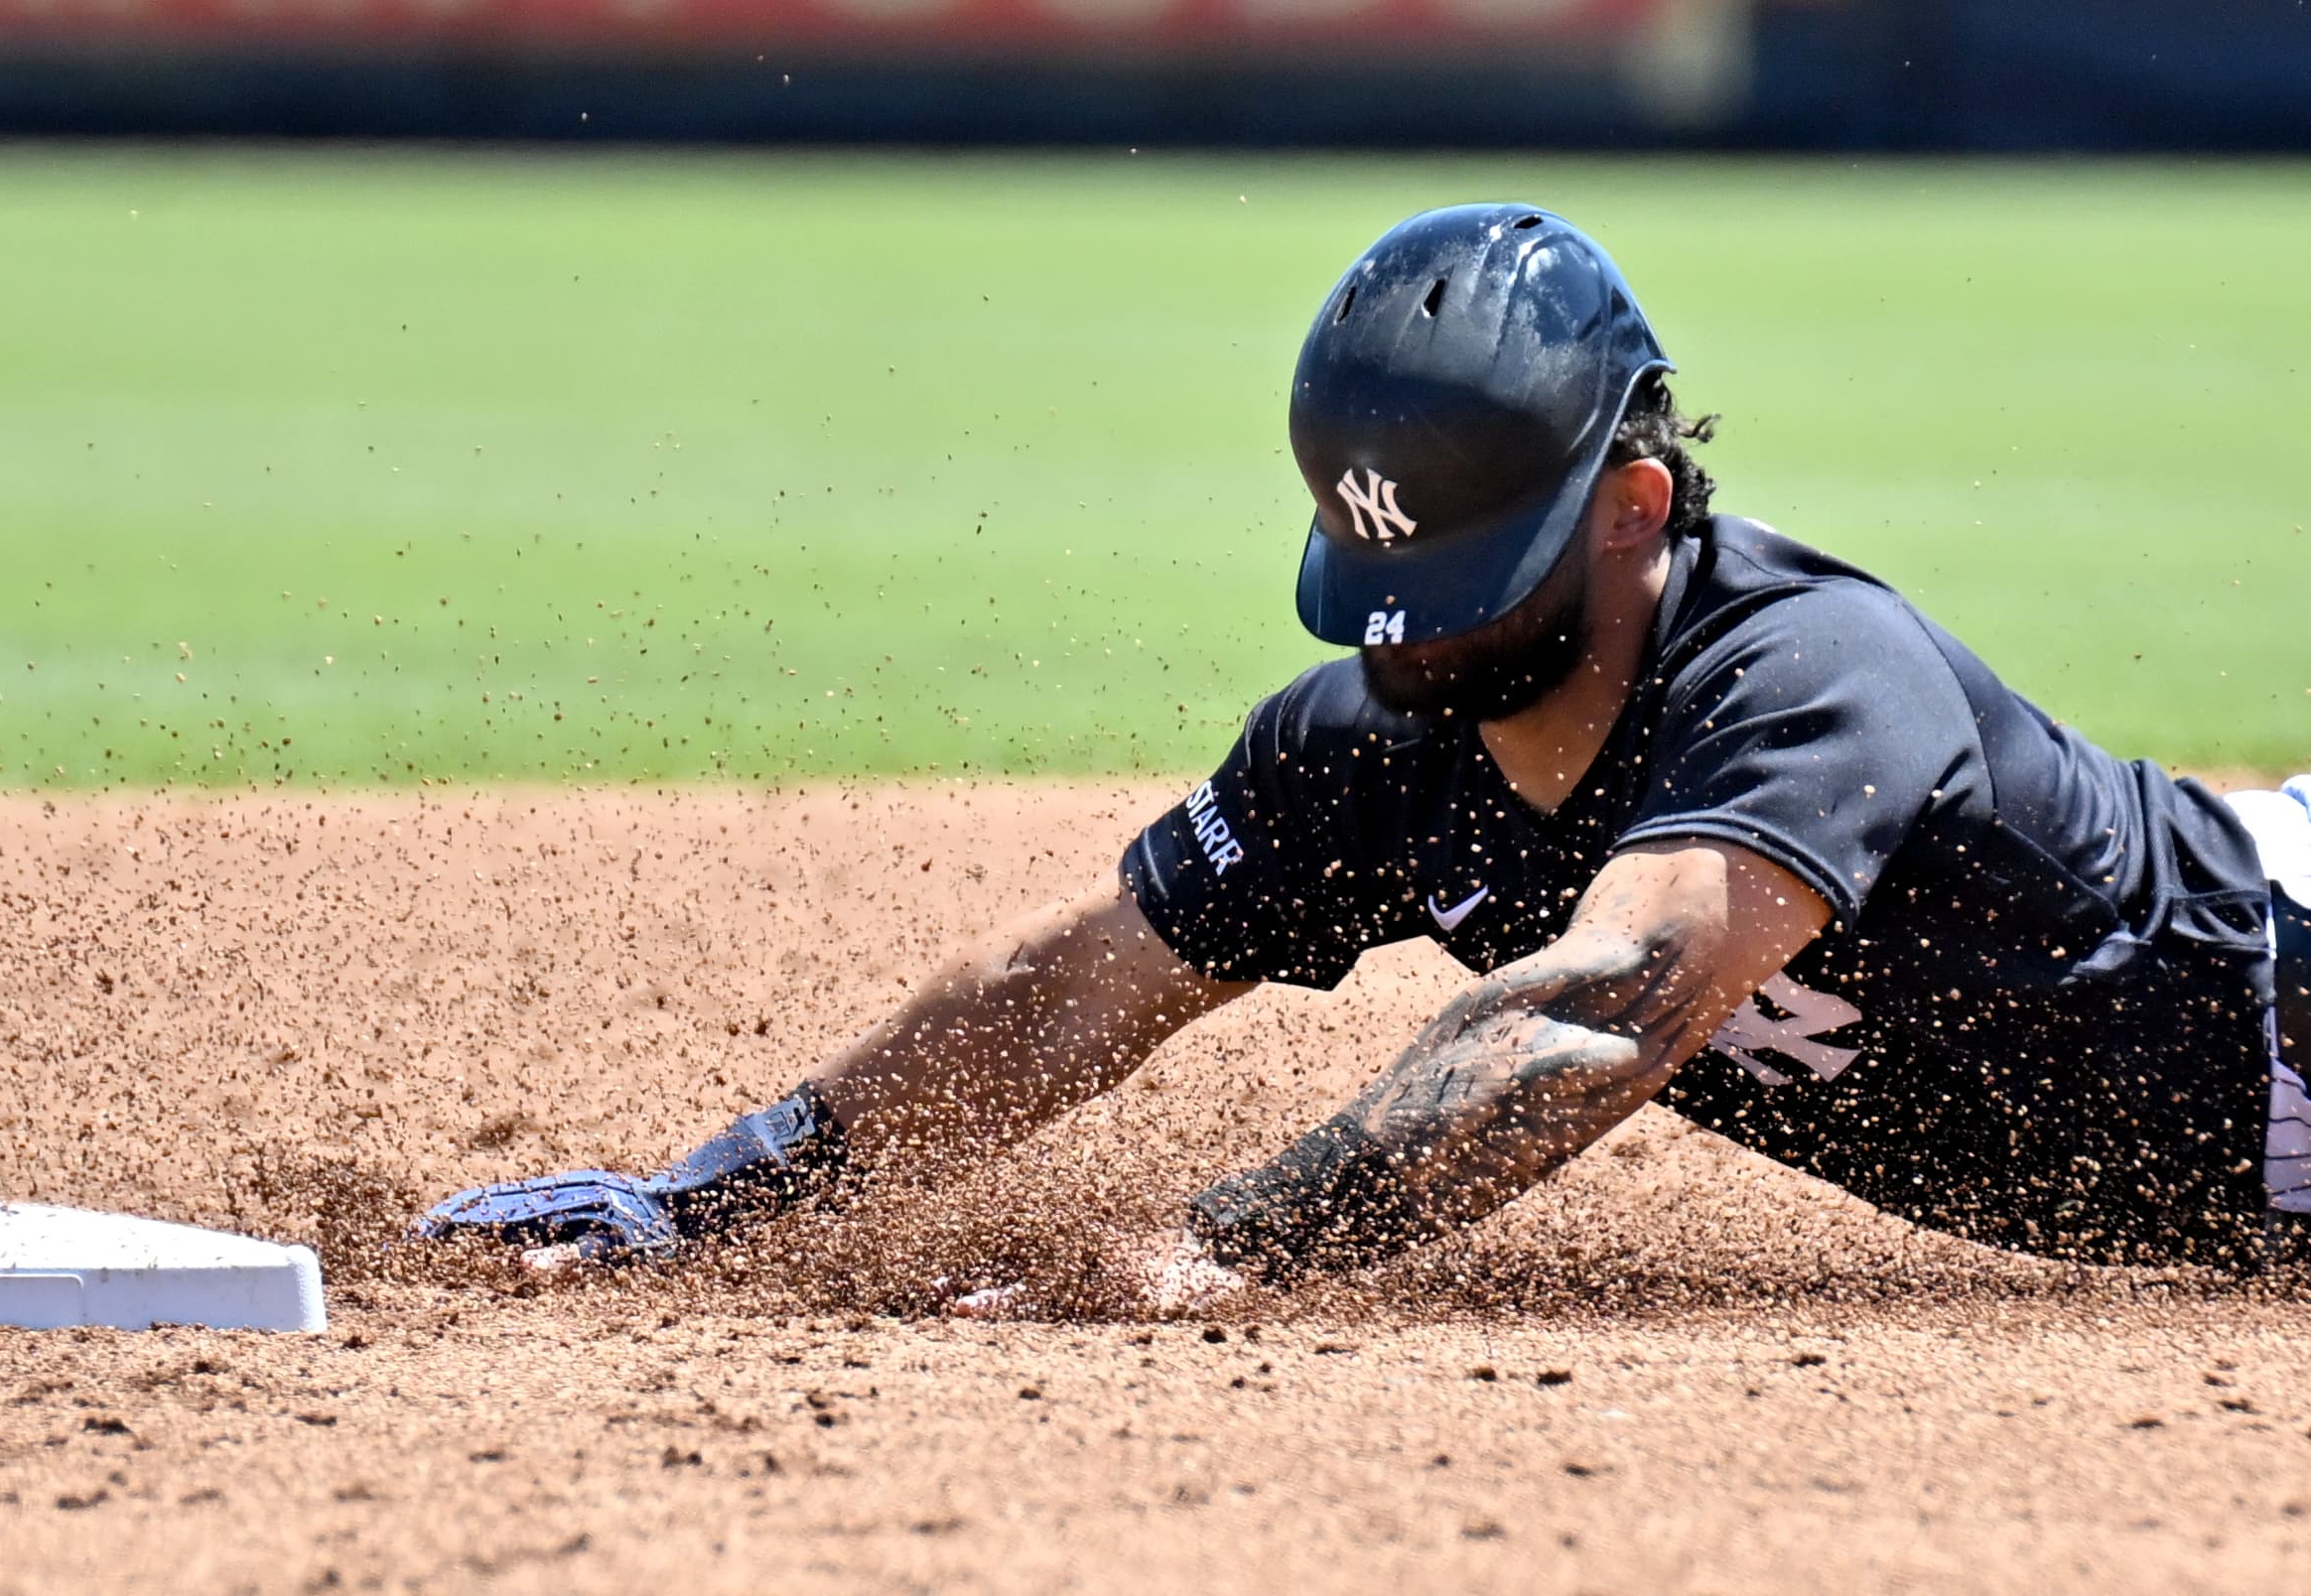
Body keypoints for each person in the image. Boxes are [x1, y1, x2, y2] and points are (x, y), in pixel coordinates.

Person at [420, 203, 2311, 1308]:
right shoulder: (1382, 739)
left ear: (1634, 504)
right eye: (1383, 584)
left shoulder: (1815, 675)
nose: (1411, 645)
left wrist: (1217, 1251)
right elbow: (1067, 996)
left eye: (1469, 586)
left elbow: (1607, 1006)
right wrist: (712, 1196)